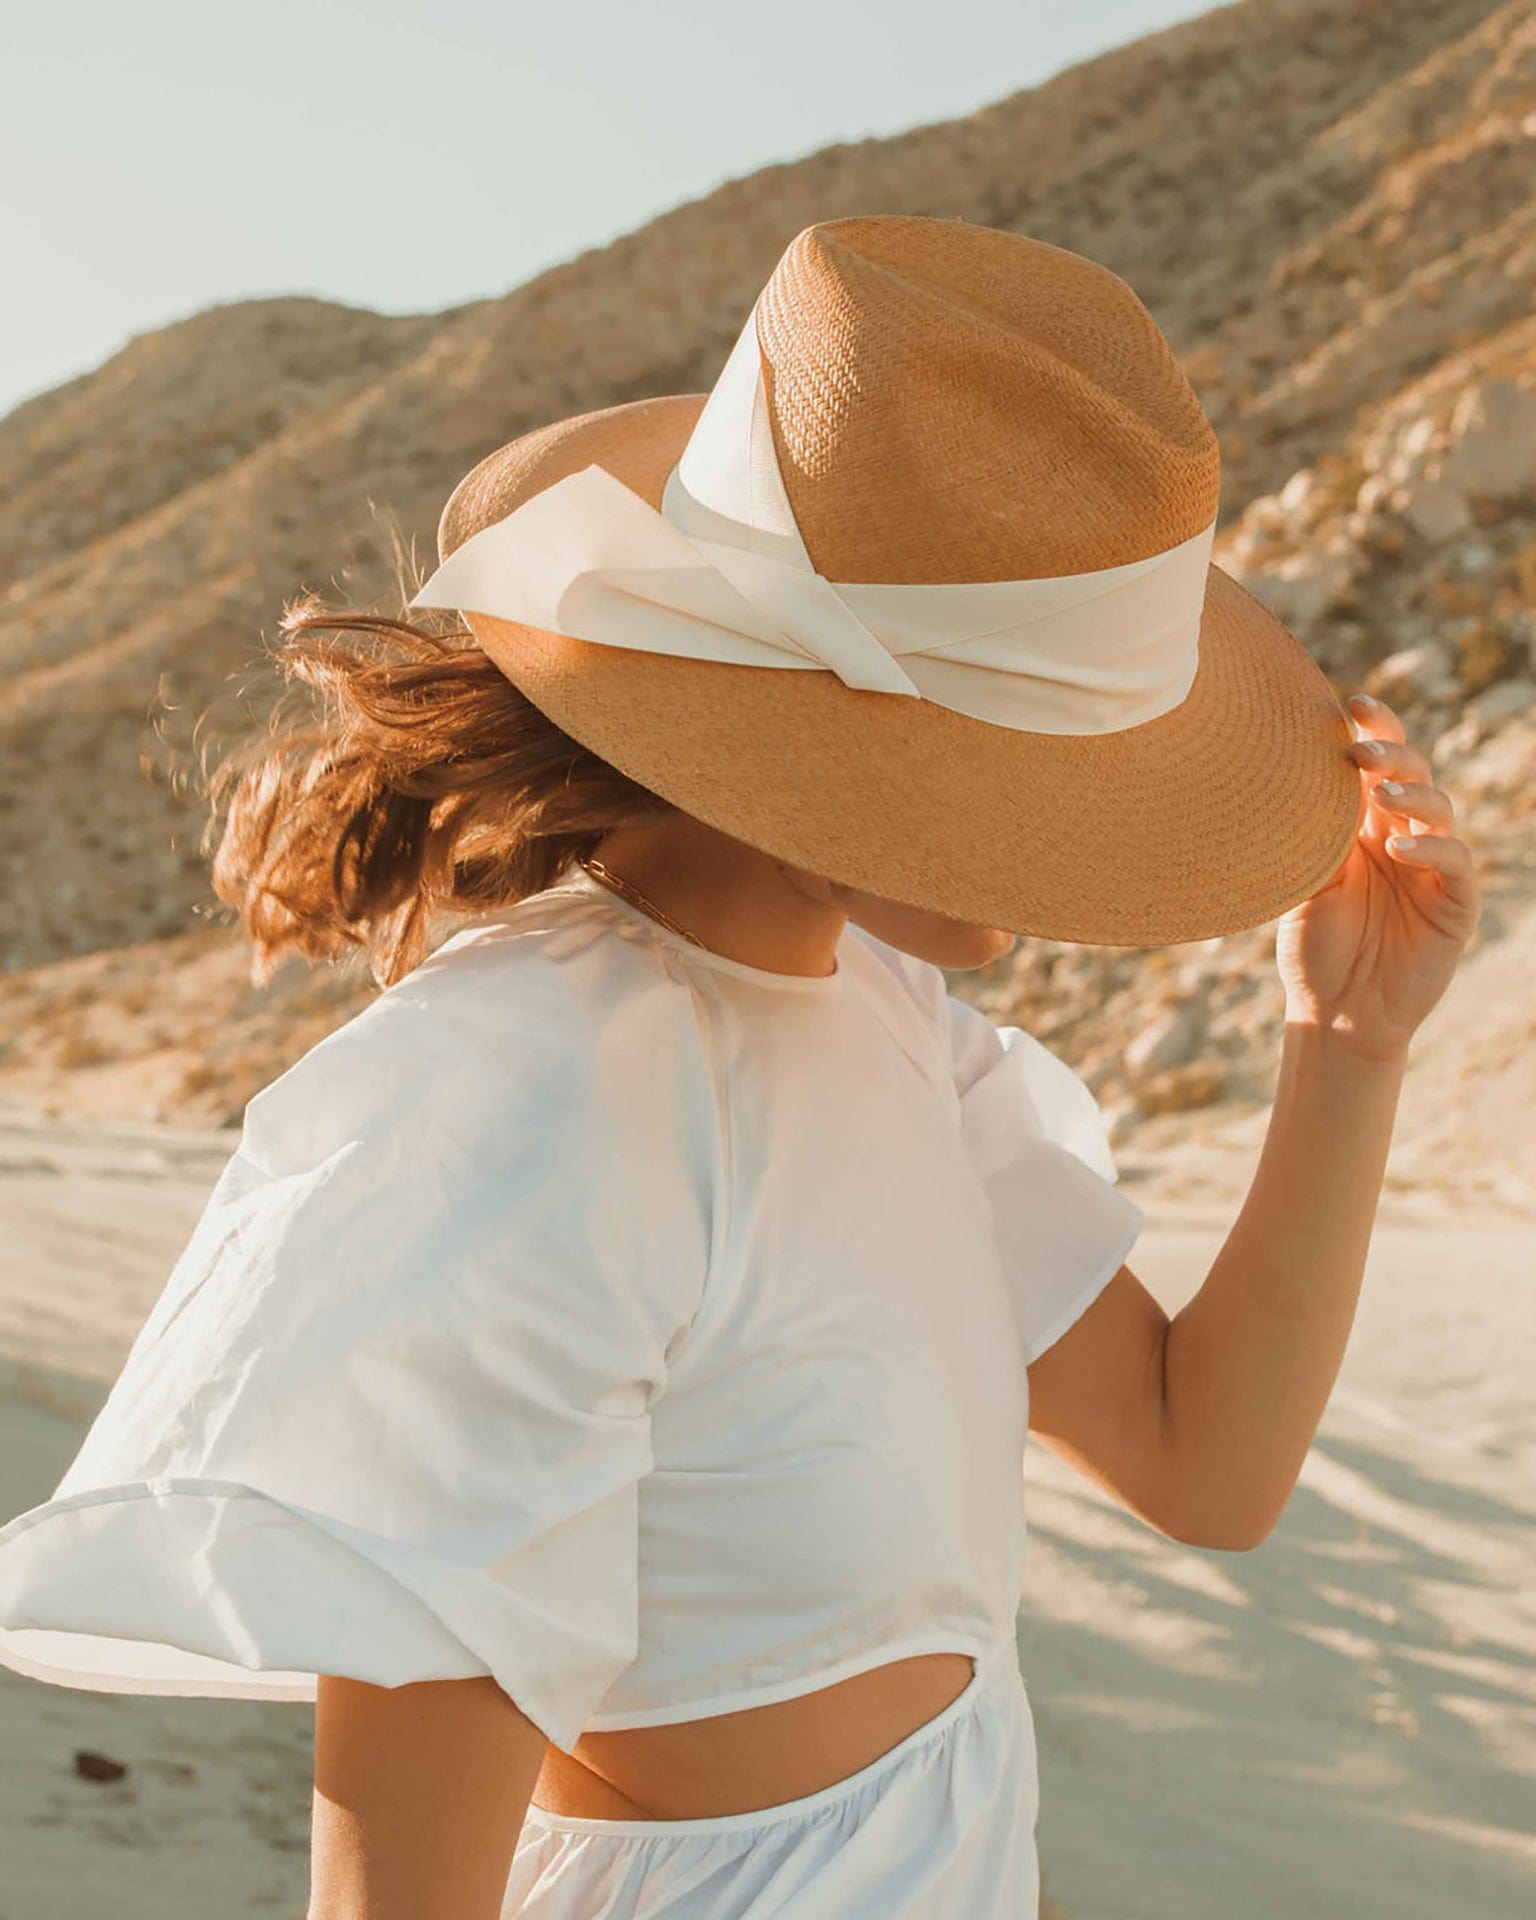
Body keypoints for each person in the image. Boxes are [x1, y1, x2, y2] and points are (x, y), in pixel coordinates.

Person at [0, 216, 1478, 1920]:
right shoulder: (528, 1106)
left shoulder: (895, 1025)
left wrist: (1348, 1048)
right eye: (1023, 762)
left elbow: (1199, 1464)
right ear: (816, 728)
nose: (1070, 847)